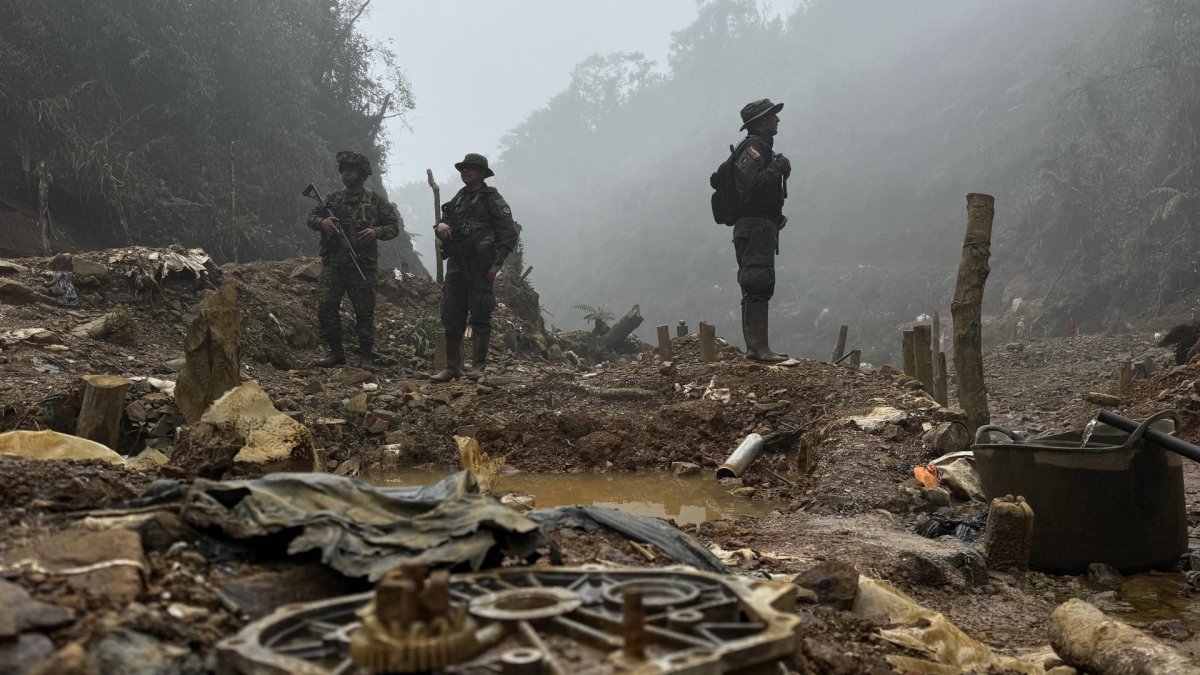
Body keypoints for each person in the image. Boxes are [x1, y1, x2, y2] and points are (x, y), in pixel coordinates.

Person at [307, 150, 401, 370]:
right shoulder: (332, 199)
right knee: (326, 306)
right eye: (344, 170)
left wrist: (375, 232)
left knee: (364, 311)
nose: (346, 174)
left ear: (362, 174)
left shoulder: (375, 201)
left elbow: (393, 226)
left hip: (362, 264)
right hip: (334, 263)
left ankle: (366, 357)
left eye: (351, 171)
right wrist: (323, 223)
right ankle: (336, 353)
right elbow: (311, 217)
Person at [431, 153, 520, 382]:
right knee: (451, 313)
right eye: (463, 169)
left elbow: (509, 232)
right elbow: (446, 219)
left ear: (482, 173)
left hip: (481, 266)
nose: (465, 172)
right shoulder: (459, 198)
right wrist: (440, 225)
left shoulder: (491, 198)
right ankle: (453, 367)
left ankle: (478, 367)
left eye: (470, 168)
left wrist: (497, 263)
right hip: (457, 264)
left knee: (480, 314)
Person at [731, 98, 791, 362]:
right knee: (757, 281)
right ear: (759, 122)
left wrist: (774, 217)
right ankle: (759, 349)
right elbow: (752, 186)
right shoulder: (754, 148)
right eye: (772, 116)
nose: (777, 119)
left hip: (759, 227)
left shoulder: (762, 148)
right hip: (753, 228)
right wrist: (778, 167)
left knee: (756, 283)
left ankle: (757, 348)